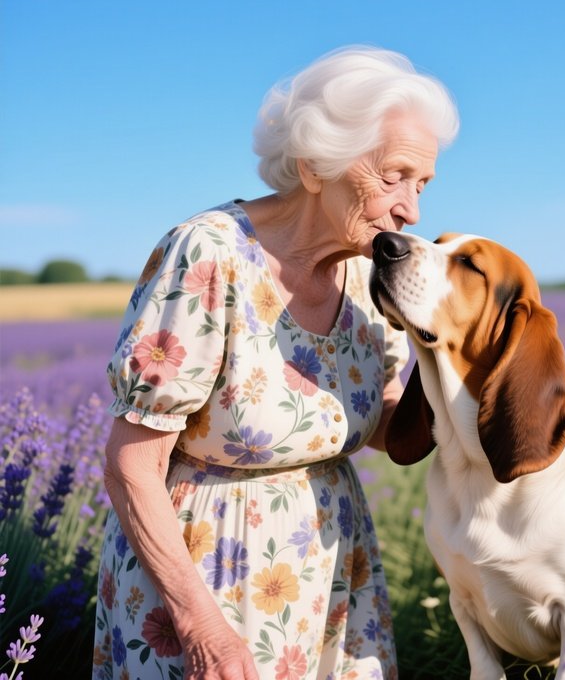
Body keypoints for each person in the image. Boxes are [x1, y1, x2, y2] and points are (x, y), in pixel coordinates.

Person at [92, 46, 459, 680]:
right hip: (205, 585)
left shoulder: (373, 277)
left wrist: (458, 359)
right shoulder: (211, 255)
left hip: (332, 580)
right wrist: (201, 626)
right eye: (393, 176)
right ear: (318, 166)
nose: (412, 209)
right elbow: (132, 465)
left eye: (421, 184)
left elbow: (386, 432)